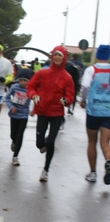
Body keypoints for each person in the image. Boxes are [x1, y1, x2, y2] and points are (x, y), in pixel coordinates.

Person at [27, 45, 75, 182]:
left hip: (56, 113)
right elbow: (31, 87)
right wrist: (33, 95)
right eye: (55, 55)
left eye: (60, 55)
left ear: (64, 57)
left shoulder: (67, 77)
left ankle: (45, 170)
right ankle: (44, 143)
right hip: (42, 111)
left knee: (52, 142)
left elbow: (70, 96)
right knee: (39, 143)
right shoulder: (42, 73)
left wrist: (65, 100)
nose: (57, 57)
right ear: (52, 56)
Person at [80, 44, 110, 184]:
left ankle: (92, 173)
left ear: (98, 55)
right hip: (108, 111)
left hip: (93, 111)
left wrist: (83, 100)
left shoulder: (91, 69)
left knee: (92, 142)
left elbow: (85, 86)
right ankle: (109, 162)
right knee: (105, 143)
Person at [4, 68, 32, 166]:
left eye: (25, 80)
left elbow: (37, 98)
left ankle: (15, 157)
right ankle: (13, 141)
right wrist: (11, 106)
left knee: (20, 135)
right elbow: (7, 97)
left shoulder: (31, 89)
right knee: (13, 135)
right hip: (14, 114)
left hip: (23, 115)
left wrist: (36, 110)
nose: (22, 82)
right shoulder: (14, 87)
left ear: (29, 80)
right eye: (20, 80)